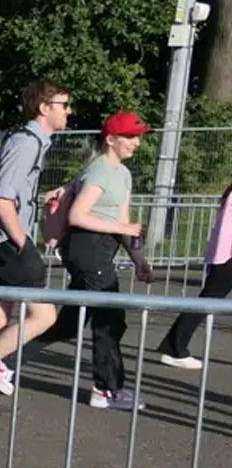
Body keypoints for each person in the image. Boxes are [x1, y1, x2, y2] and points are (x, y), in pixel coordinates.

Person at [0, 80, 69, 412]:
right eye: (63, 104)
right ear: (44, 108)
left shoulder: (27, 140)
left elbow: (12, 192)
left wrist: (39, 199)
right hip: (6, 242)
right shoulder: (26, 143)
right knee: (44, 315)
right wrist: (24, 242)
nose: (68, 111)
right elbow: (2, 197)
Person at [37, 112, 154, 410]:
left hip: (101, 251)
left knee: (68, 323)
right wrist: (122, 229)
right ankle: (106, 390)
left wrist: (138, 258)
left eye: (138, 136)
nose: (136, 142)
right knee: (109, 320)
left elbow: (123, 219)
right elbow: (78, 215)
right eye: (130, 136)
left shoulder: (123, 173)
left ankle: (3, 361)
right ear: (111, 139)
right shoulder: (100, 169)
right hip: (87, 249)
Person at [155, 181, 232, 369]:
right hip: (228, 258)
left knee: (207, 301)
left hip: (226, 256)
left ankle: (174, 345)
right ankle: (174, 346)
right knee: (207, 301)